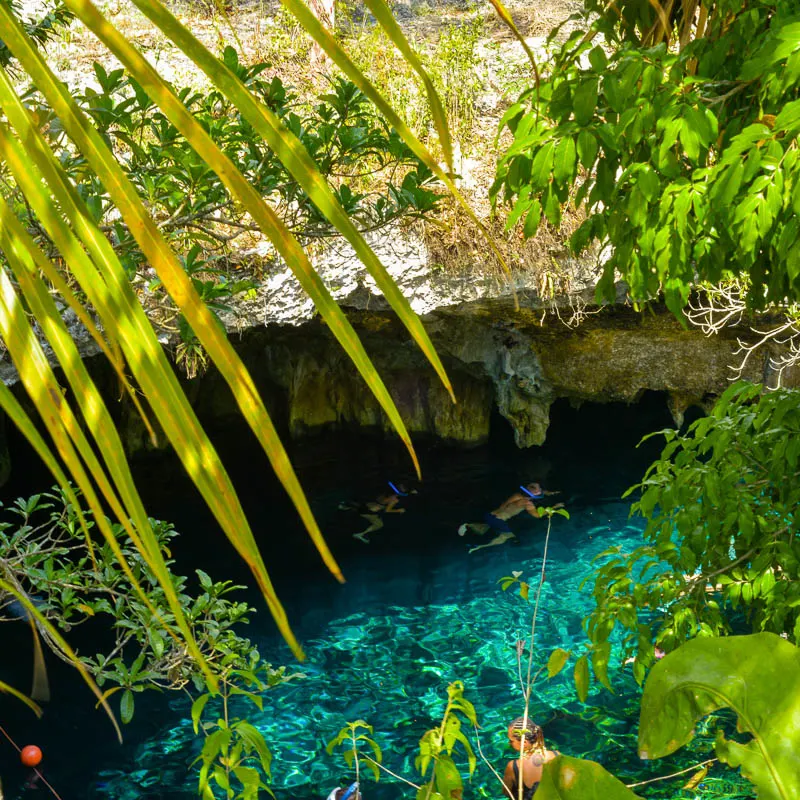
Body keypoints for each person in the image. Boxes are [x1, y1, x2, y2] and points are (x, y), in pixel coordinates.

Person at [458, 483, 563, 553]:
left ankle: (469, 525)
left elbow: (540, 492)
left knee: (489, 525)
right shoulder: (527, 503)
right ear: (532, 494)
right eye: (539, 489)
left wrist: (549, 493)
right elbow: (537, 515)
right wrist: (554, 508)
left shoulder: (517, 495)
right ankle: (478, 546)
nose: (541, 489)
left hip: (490, 515)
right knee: (507, 535)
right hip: (498, 521)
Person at [502, 717, 560, 800]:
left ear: (524, 742)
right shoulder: (557, 755)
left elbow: (506, 792)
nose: (509, 743)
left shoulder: (514, 767)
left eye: (511, 741)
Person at [339, 482, 416, 543]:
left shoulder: (386, 492)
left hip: (367, 505)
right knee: (379, 524)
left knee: (360, 508)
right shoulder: (394, 500)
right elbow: (387, 510)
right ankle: (360, 534)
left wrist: (411, 492)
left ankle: (345, 506)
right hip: (368, 512)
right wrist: (399, 510)